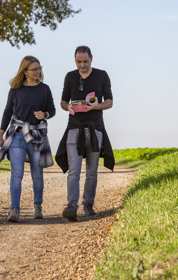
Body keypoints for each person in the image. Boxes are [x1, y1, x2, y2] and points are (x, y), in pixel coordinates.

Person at [56, 46, 115, 222]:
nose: (82, 65)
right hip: (74, 128)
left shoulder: (102, 75)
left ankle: (88, 205)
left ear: (92, 59)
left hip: (95, 129)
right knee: (74, 172)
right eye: (78, 61)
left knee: (91, 172)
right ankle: (72, 207)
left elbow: (110, 102)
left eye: (85, 61)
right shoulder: (69, 76)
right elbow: (63, 101)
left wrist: (97, 105)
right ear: (75, 60)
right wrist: (68, 107)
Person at [0, 55, 55, 222]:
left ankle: (37, 205)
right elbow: (7, 112)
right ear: (25, 71)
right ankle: (14, 210)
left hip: (36, 136)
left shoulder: (44, 89)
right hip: (17, 136)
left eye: (39, 68)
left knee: (37, 175)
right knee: (16, 174)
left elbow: (52, 110)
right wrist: (0, 134)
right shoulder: (15, 90)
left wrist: (45, 114)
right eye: (34, 69)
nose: (38, 71)